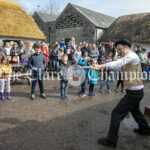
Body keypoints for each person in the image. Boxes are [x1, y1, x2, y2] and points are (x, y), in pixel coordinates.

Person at [91, 39, 150, 148]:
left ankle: (111, 141)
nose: (118, 52)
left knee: (116, 113)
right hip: (135, 92)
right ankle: (145, 129)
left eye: (120, 49)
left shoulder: (132, 56)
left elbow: (119, 63)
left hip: (134, 93)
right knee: (135, 111)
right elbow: (118, 65)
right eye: (117, 50)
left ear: (126, 47)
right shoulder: (128, 57)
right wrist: (104, 66)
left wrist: (100, 66)